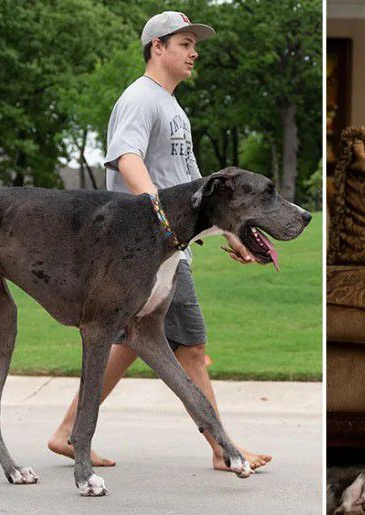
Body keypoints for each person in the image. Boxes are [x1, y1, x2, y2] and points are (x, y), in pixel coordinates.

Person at [47, 10, 272, 472]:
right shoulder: (140, 98)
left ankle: (68, 431)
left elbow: (194, 189)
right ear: (157, 47)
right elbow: (126, 157)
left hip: (167, 243)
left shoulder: (172, 107)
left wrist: (230, 232)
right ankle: (222, 448)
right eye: (185, 44)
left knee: (131, 340)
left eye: (195, 46)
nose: (194, 53)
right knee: (190, 346)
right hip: (148, 245)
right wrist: (160, 217)